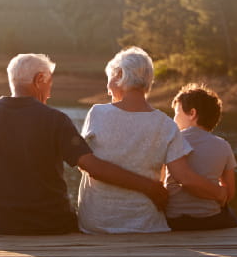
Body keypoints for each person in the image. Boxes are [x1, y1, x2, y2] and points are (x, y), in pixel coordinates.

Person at [0, 53, 168, 235]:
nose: (51, 91)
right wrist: (149, 187)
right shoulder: (56, 119)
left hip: (3, 225)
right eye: (49, 82)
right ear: (39, 80)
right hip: (55, 224)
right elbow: (92, 166)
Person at [77, 47, 227, 234]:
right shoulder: (166, 124)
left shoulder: (98, 113)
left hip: (97, 223)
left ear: (120, 74)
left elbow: (85, 164)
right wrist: (220, 193)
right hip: (145, 225)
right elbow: (186, 178)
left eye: (109, 79)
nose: (107, 89)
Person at [165, 83, 237, 230]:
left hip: (175, 221)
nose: (173, 118)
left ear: (192, 113)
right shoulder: (223, 146)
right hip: (210, 220)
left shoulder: (171, 141)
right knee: (231, 216)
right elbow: (230, 193)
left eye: (176, 113)